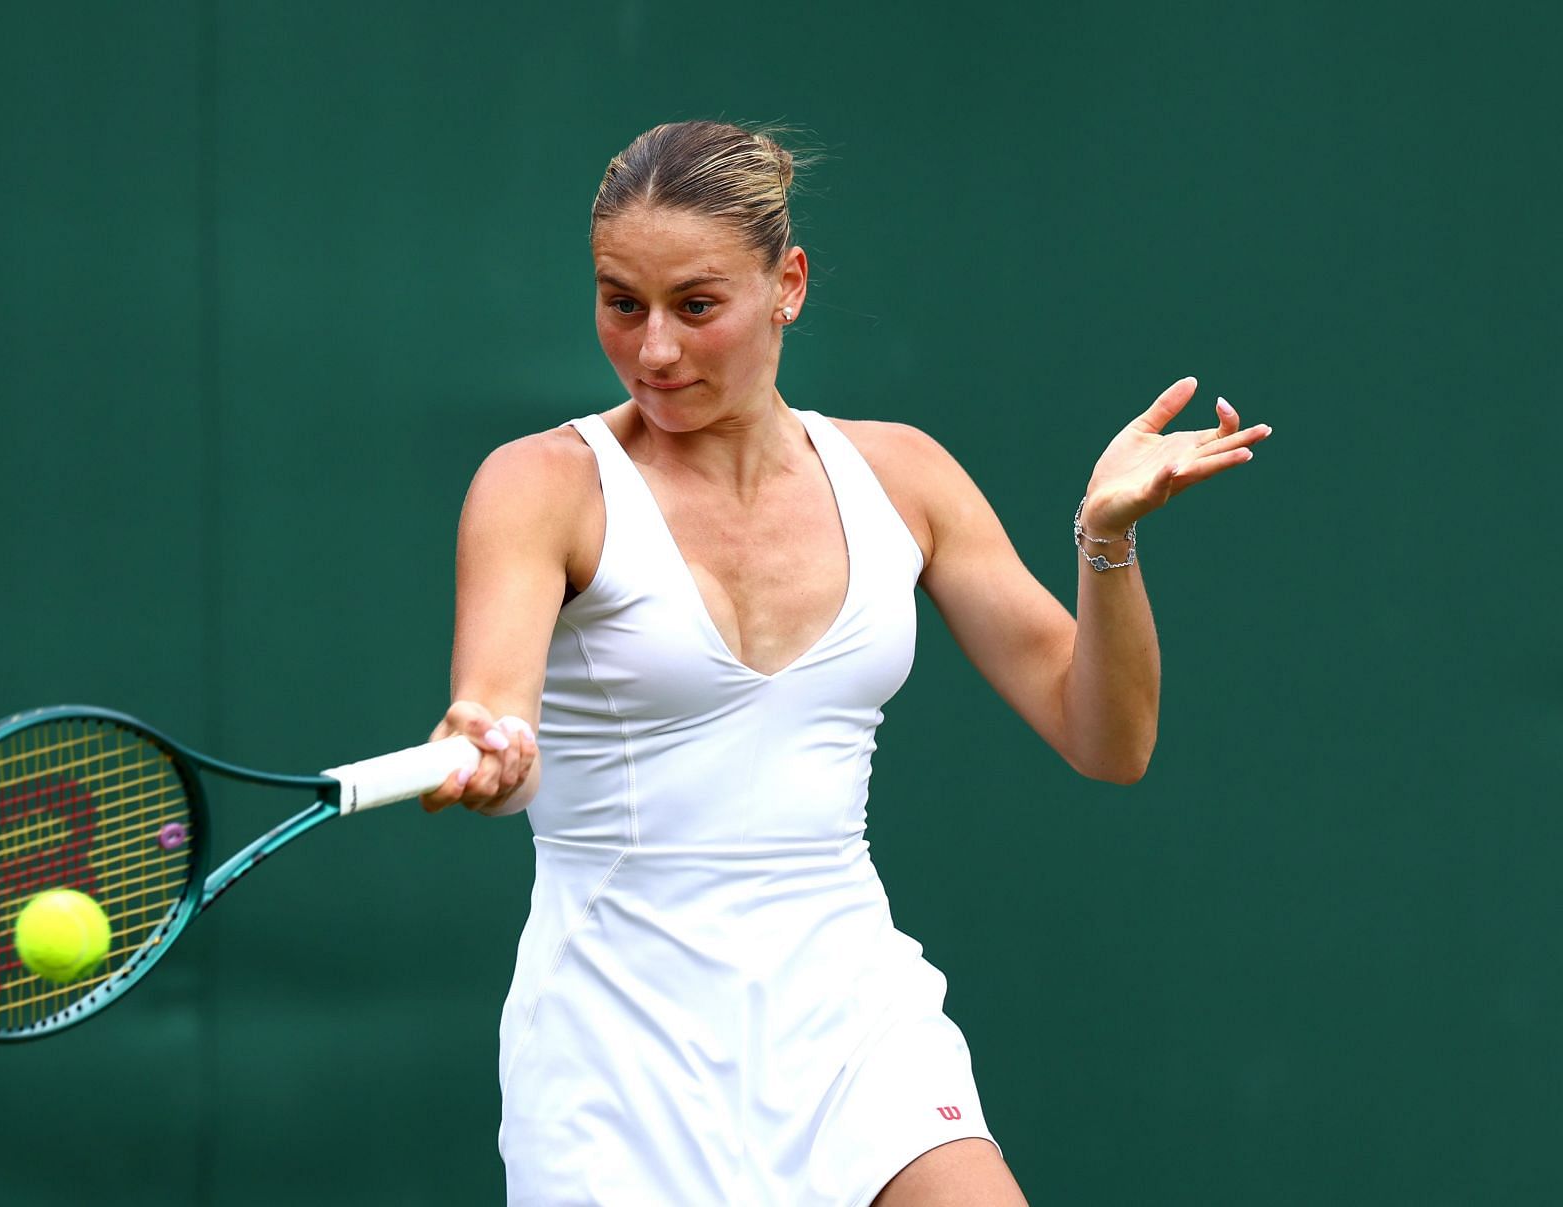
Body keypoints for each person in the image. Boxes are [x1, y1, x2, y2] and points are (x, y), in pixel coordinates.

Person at [418, 120, 1270, 1206]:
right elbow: (495, 717)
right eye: (621, 302)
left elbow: (1109, 739)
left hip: (851, 1016)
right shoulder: (540, 486)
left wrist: (1106, 539)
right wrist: (488, 751)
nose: (655, 350)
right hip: (616, 1048)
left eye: (696, 304)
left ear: (790, 285)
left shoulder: (904, 476)